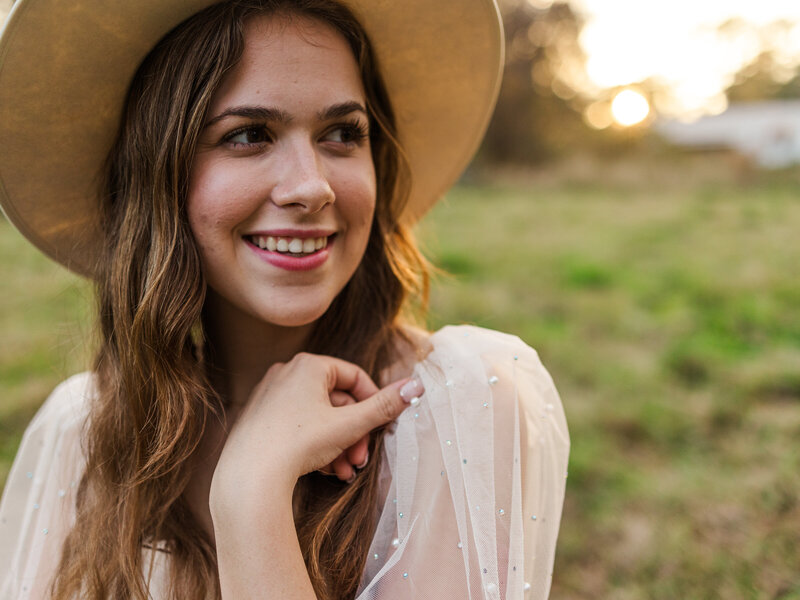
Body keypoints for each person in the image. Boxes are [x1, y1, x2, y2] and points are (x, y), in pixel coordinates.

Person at [0, 0, 570, 598]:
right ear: (155, 175)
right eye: (248, 135)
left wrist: (252, 497)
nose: (311, 186)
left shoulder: (456, 410)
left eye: (342, 133)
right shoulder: (83, 435)